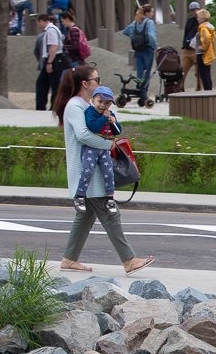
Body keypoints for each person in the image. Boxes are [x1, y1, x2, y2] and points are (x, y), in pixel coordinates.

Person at [53, 64, 153, 276]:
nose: (100, 82)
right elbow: (83, 135)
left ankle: (69, 259)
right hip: (88, 171)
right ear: (85, 84)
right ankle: (129, 260)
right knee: (110, 213)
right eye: (97, 79)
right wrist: (110, 145)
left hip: (91, 170)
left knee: (86, 217)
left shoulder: (86, 105)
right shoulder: (75, 106)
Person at [73, 85, 121, 213]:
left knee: (109, 171)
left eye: (107, 103)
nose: (102, 106)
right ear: (93, 100)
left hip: (104, 149)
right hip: (91, 148)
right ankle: (79, 196)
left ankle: (110, 197)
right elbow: (92, 127)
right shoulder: (90, 112)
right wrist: (104, 118)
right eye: (100, 102)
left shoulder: (109, 114)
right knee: (87, 170)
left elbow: (118, 131)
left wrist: (113, 122)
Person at [122, 4, 157, 103]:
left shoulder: (135, 23)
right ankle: (144, 93)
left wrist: (134, 37)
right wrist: (155, 46)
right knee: (147, 72)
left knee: (140, 72)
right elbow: (151, 36)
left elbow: (125, 31)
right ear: (147, 13)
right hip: (147, 50)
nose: (153, 14)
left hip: (138, 50)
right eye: (152, 12)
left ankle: (138, 89)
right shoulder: (149, 23)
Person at [35, 13, 64, 111]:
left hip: (53, 59)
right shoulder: (53, 29)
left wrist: (49, 62)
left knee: (53, 85)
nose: (38, 25)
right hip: (53, 59)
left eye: (38, 22)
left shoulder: (51, 30)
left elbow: (53, 46)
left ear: (43, 21)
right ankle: (42, 106)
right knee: (43, 83)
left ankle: (52, 107)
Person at [194, 8, 216, 90]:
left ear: (203, 18)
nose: (197, 19)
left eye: (198, 17)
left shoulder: (203, 27)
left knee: (204, 74)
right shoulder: (210, 26)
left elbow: (206, 38)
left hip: (201, 53)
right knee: (207, 74)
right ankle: (209, 90)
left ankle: (207, 92)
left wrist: (203, 47)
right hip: (208, 53)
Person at [182, 1, 202, 91]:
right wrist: (184, 45)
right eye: (191, 10)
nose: (193, 12)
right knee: (182, 70)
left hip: (196, 50)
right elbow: (186, 34)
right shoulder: (189, 21)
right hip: (187, 49)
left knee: (198, 73)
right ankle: (180, 88)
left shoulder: (202, 22)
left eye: (195, 10)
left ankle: (198, 89)